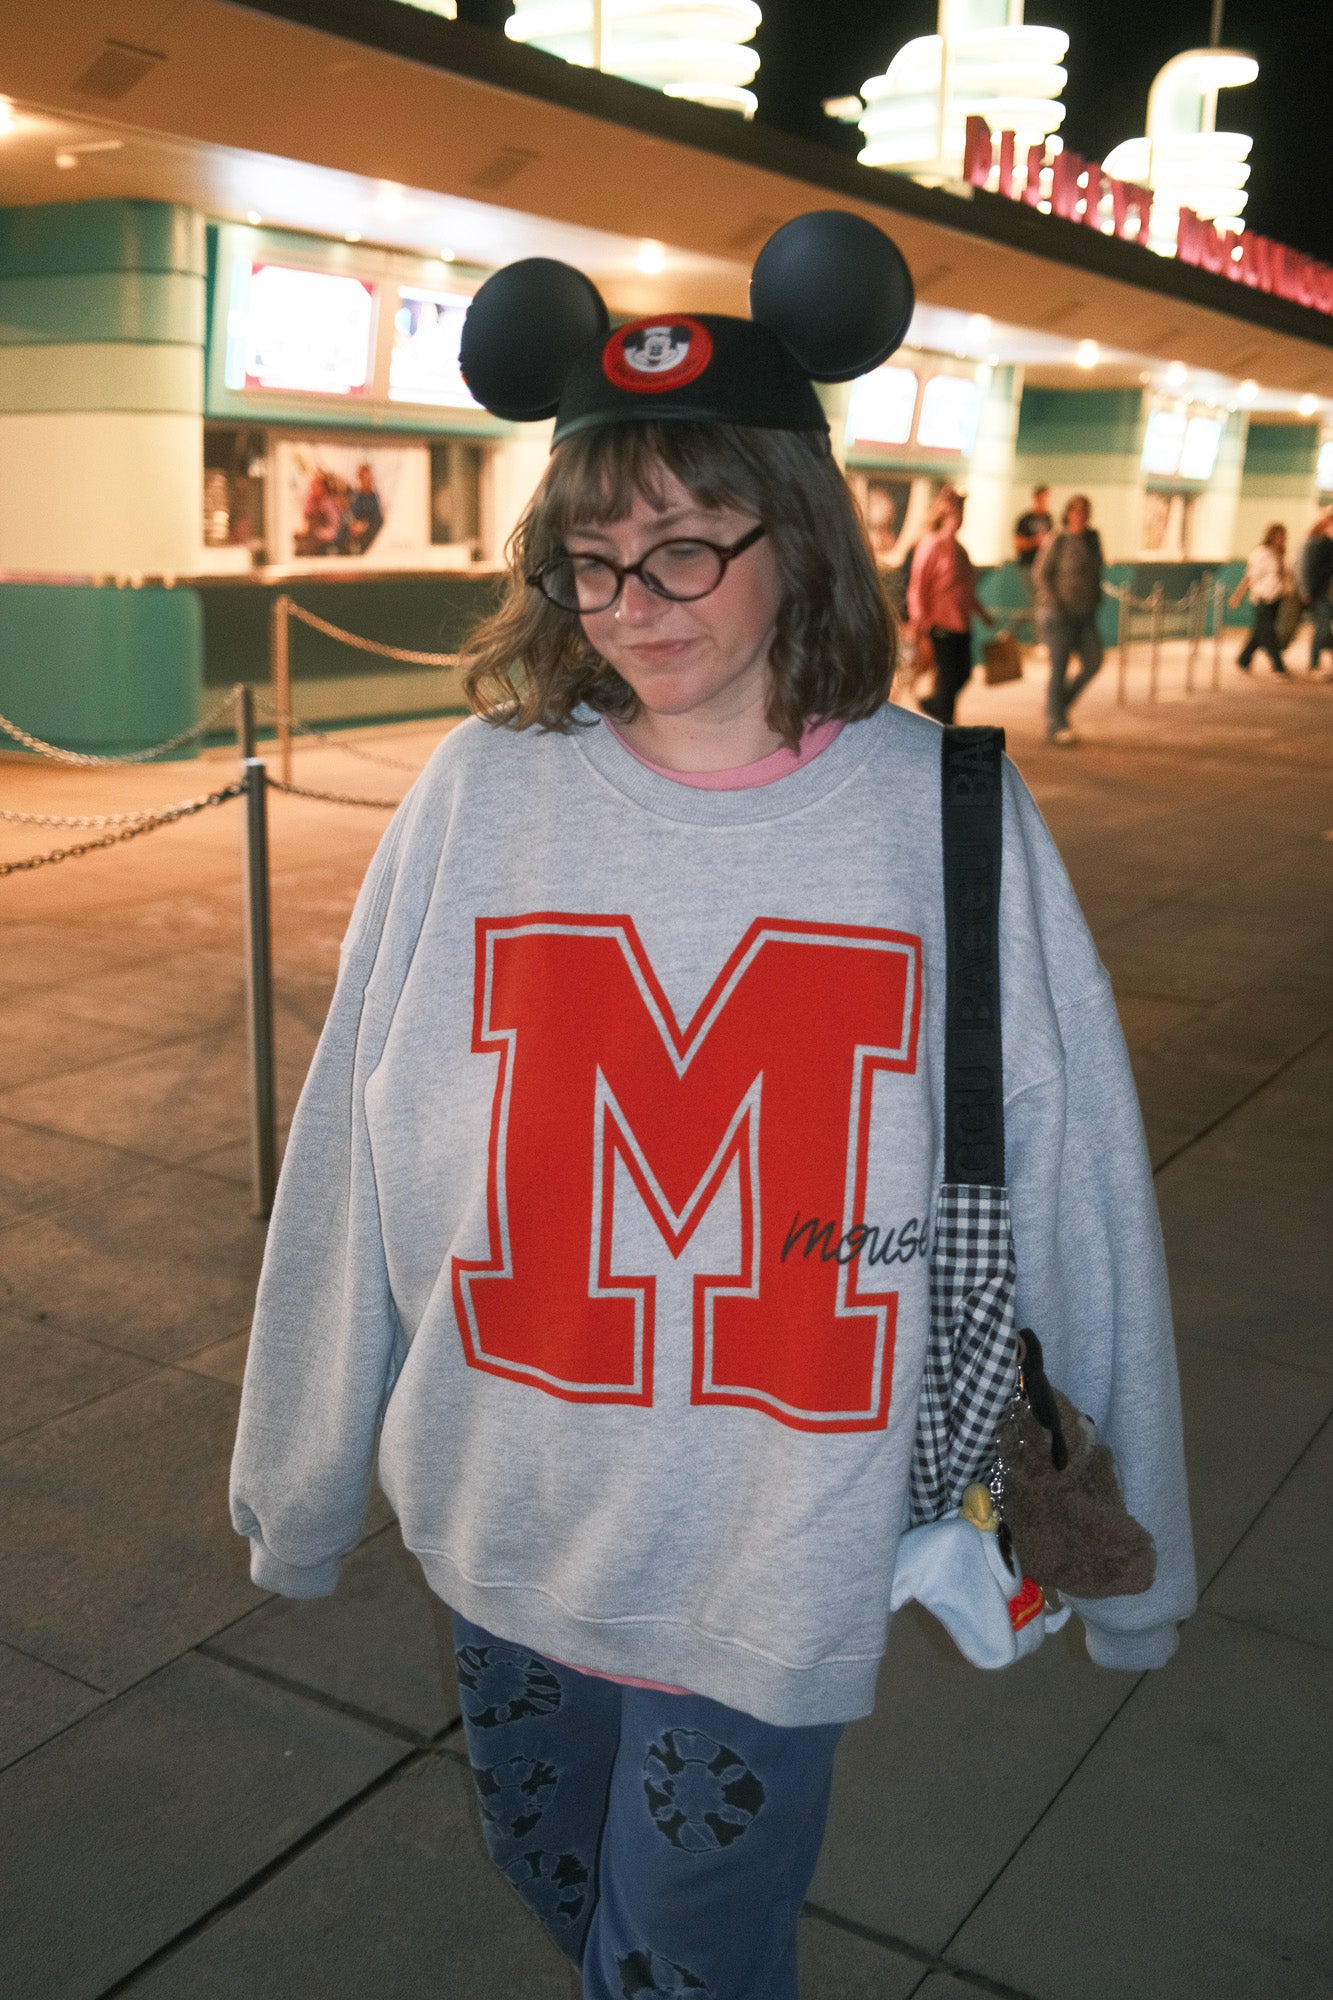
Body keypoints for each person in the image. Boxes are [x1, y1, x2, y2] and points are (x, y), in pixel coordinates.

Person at [229, 214, 1194, 2000]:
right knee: (555, 1870)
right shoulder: (478, 798)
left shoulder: (943, 818)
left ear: (798, 533)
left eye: (685, 549)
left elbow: (1077, 1191)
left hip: (776, 1544)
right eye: (589, 561)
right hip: (510, 1522)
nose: (632, 605)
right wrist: (299, 1478)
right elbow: (351, 1169)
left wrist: (1131, 1558)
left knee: (681, 1955)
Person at [906, 487, 993, 725]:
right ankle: (946, 723)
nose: (959, 517)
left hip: (961, 622)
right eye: (955, 511)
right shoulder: (931, 545)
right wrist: (918, 619)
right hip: (940, 622)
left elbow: (966, 589)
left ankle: (932, 705)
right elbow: (918, 585)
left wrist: (982, 613)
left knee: (963, 673)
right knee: (947, 677)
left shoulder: (961, 550)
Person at [1034, 493, 1105, 744]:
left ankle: (1058, 706)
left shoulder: (1093, 540)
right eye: (1076, 510)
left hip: (1085, 615)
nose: (1081, 515)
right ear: (1068, 513)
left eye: (1085, 510)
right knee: (1059, 668)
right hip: (1058, 616)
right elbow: (1041, 573)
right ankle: (1057, 723)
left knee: (1094, 661)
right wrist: (1056, 602)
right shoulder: (1058, 539)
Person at [1231, 523, 1292, 674]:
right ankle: (1278, 666)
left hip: (1276, 598)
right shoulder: (1261, 553)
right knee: (1269, 633)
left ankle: (1243, 659)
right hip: (1262, 598)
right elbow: (1250, 576)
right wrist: (1238, 595)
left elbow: (1285, 576)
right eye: (1279, 536)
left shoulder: (1280, 554)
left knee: (1259, 632)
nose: (1281, 539)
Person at [1297, 509, 1333, 675]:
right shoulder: (1317, 543)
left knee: (1324, 630)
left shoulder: (1324, 543)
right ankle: (1314, 665)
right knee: (1322, 629)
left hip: (1325, 594)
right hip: (1319, 593)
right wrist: (1306, 590)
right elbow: (1308, 568)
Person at [339, 461, 385, 557]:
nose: (367, 481)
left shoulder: (375, 497)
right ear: (360, 478)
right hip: (354, 530)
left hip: (370, 531)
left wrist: (365, 525)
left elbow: (378, 519)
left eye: (369, 478)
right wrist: (353, 524)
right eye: (364, 478)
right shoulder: (356, 496)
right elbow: (349, 513)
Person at [1013, 484, 1052, 566]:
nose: (1045, 502)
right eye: (1042, 498)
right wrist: (1035, 541)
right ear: (1036, 498)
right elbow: (1018, 545)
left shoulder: (1049, 519)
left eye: (1046, 499)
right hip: (1028, 564)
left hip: (1044, 564)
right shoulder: (1025, 519)